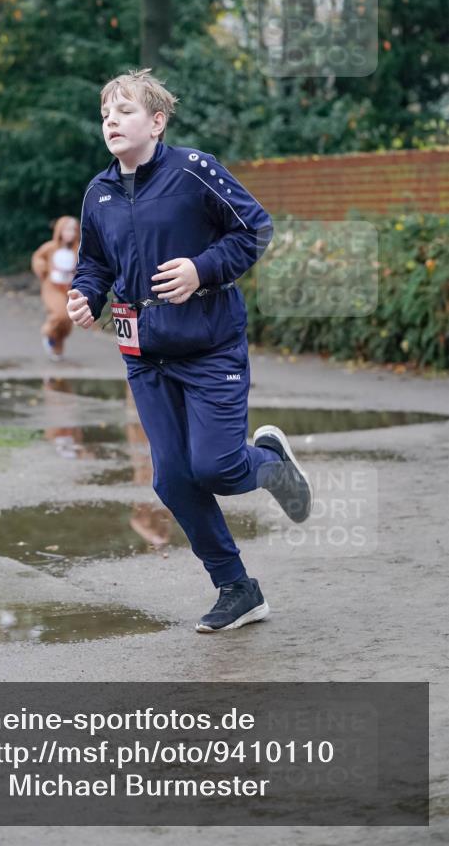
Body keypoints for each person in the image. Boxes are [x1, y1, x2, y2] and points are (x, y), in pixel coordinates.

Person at [67, 68, 313, 633]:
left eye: (125, 111)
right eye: (105, 113)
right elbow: (96, 263)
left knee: (218, 466)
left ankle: (271, 465)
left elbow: (254, 229)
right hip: (142, 354)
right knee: (173, 479)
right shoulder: (98, 192)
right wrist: (84, 296)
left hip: (209, 347)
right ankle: (237, 589)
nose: (111, 120)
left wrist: (201, 269)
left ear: (156, 122)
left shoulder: (191, 170)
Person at [31, 215, 80, 360]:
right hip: (52, 286)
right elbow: (37, 257)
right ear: (59, 231)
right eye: (67, 230)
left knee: (68, 321)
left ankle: (56, 345)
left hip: (69, 288)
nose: (70, 233)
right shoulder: (50, 247)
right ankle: (48, 333)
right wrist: (42, 267)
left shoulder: (79, 249)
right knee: (60, 314)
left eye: (73, 230)